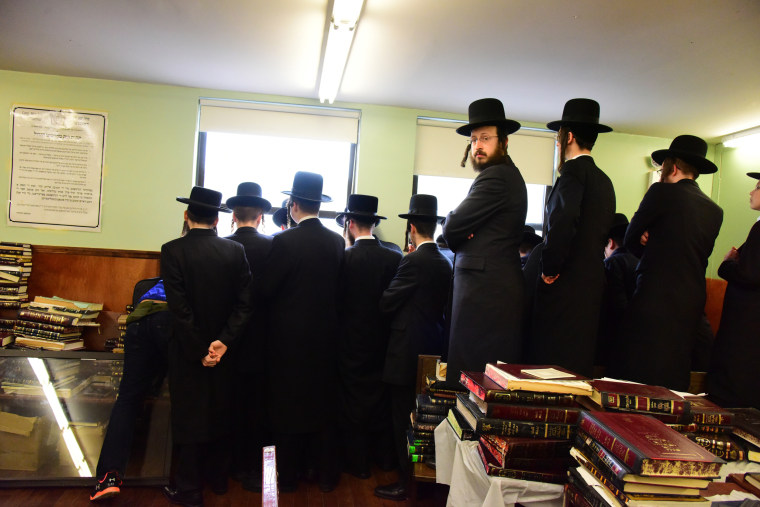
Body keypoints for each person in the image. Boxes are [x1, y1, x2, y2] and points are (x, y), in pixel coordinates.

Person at [160, 186, 253, 506]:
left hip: (188, 351)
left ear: (186, 216)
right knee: (221, 411)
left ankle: (188, 488)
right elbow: (244, 305)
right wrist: (223, 343)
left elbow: (179, 309)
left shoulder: (172, 250)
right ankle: (219, 481)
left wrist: (201, 349)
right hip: (226, 351)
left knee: (189, 415)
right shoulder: (234, 251)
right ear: (217, 218)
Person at [611, 135, 723, 391]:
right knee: (672, 367)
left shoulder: (660, 192)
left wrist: (648, 241)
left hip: (655, 292)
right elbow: (693, 251)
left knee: (638, 366)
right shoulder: (715, 211)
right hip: (692, 299)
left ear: (672, 167)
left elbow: (629, 239)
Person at [258, 171, 345, 492]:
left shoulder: (282, 241)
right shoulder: (337, 241)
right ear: (318, 206)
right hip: (325, 338)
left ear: (293, 205)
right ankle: (323, 475)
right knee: (320, 406)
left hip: (287, 340)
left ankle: (289, 478)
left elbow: (265, 290)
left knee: (286, 408)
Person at [527, 98, 615, 377]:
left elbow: (562, 222)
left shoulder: (572, 174)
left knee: (551, 365)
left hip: (565, 283)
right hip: (592, 283)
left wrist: (550, 269)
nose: (557, 143)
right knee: (577, 364)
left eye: (558, 137)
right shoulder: (604, 180)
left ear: (570, 137)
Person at [442, 98, 527, 384]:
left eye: (486, 138)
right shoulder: (500, 175)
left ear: (503, 142)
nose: (478, 145)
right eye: (474, 139)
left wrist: (463, 232)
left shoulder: (497, 177)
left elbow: (452, 227)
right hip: (487, 294)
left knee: (474, 384)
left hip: (486, 298)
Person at [375, 194, 453, 502]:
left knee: (401, 421)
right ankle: (419, 483)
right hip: (432, 350)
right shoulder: (445, 261)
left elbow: (386, 303)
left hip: (405, 352)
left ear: (411, 227)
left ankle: (404, 484)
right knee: (423, 419)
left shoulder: (412, 261)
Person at [336, 194, 402, 478]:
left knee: (352, 402)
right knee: (381, 400)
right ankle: (385, 459)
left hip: (350, 341)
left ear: (350, 223)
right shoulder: (394, 258)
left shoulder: (343, 258)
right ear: (374, 223)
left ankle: (358, 464)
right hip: (384, 341)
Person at [90, 280, 170, 502]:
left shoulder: (156, 279)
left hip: (139, 323)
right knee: (187, 396)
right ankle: (185, 480)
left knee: (127, 399)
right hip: (170, 321)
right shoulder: (208, 266)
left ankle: (108, 478)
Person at [223, 182, 273, 490]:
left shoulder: (223, 246)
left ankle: (231, 466)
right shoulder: (274, 247)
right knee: (261, 407)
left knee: (231, 404)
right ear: (261, 216)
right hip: (265, 339)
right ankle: (259, 473)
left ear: (233, 216)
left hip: (228, 338)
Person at [708, 171, 760, 410]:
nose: (751, 192)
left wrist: (728, 263)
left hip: (746, 323)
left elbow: (749, 274)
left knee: (733, 390)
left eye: (757, 187)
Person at [597, 213, 638, 370]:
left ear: (610, 243)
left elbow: (613, 305)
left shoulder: (613, 263)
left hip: (616, 340)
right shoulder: (638, 261)